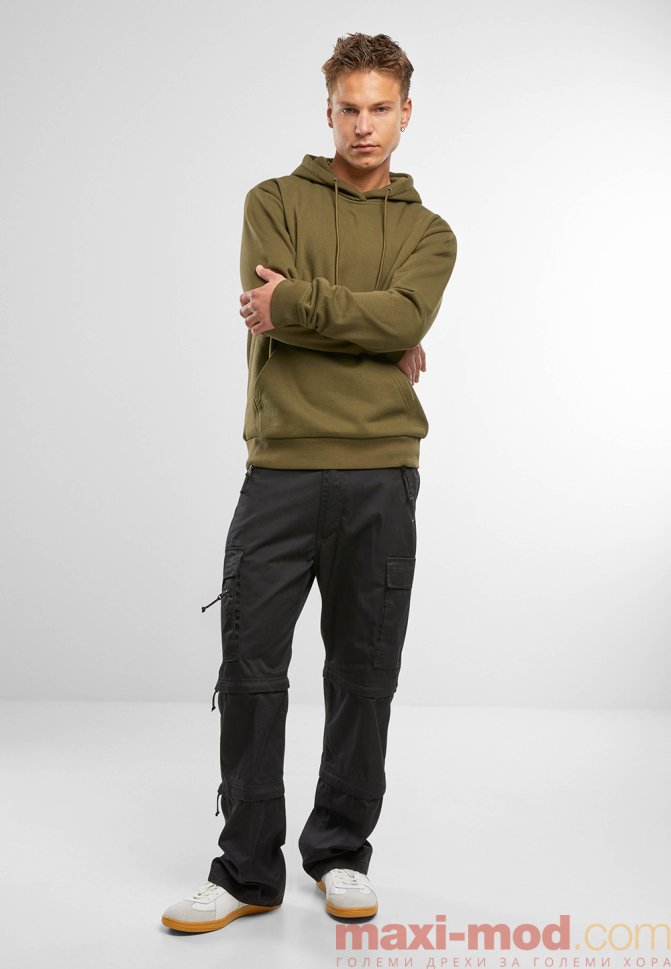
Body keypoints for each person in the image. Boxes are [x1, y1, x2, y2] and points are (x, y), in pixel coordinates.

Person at [161, 31, 457, 934]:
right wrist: (372, 328)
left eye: (380, 109)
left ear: (405, 114)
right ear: (327, 111)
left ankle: (339, 853)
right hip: (281, 469)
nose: (363, 125)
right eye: (348, 109)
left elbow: (391, 314)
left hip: (382, 475)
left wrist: (303, 303)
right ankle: (246, 869)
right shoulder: (273, 201)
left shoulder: (428, 232)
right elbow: (315, 318)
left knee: (364, 674)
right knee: (251, 669)